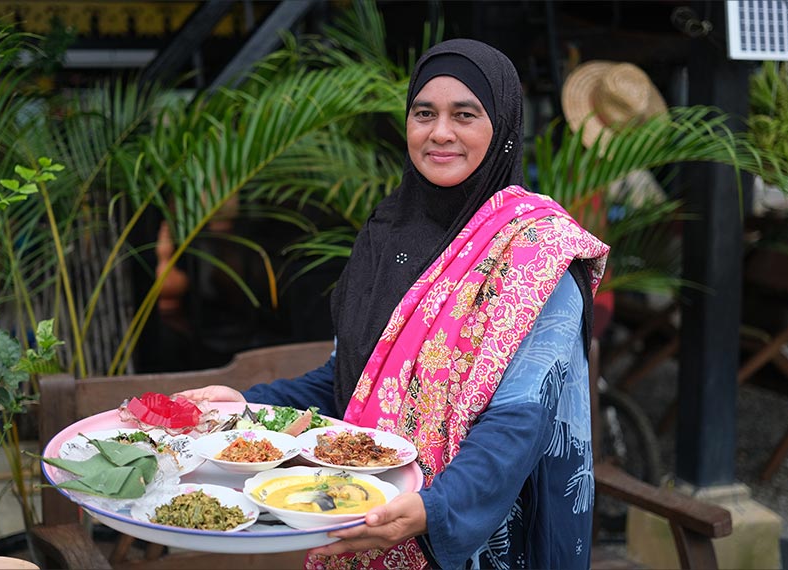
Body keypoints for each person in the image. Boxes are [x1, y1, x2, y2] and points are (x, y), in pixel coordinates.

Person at [178, 38, 609, 569]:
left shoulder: (538, 254)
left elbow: (519, 420)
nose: (440, 132)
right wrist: (244, 408)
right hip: (365, 515)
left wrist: (436, 508)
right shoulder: (387, 236)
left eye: (465, 114)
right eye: (424, 113)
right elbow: (348, 383)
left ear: (502, 129)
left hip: (481, 537)